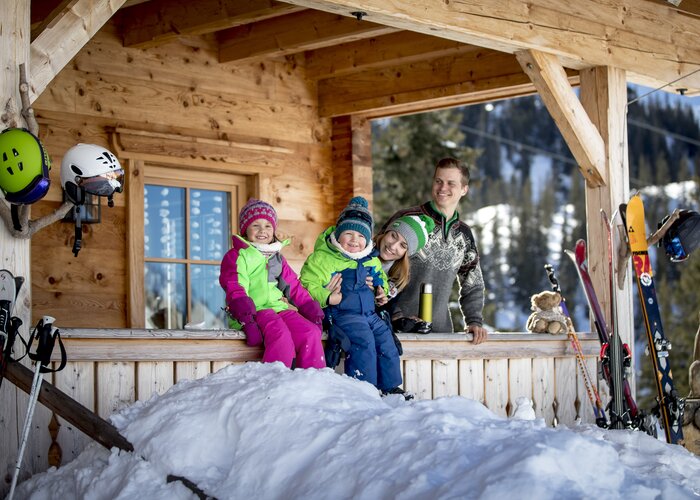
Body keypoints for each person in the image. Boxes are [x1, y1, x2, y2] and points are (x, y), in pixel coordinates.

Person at [300, 196, 406, 397]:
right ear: (338, 235)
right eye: (348, 233)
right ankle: (364, 389)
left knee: (386, 340)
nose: (354, 240)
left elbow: (380, 279)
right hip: (344, 314)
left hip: (369, 314)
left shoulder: (370, 258)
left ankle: (390, 387)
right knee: (363, 342)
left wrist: (380, 291)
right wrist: (327, 297)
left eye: (360, 235)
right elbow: (306, 284)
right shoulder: (324, 259)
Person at [381, 157, 488, 344]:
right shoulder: (408, 219)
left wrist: (473, 320)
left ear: (464, 189)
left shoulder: (464, 234)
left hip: (441, 333)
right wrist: (395, 315)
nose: (442, 188)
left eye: (450, 183)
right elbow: (376, 265)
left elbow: (472, 281)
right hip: (397, 330)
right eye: (438, 181)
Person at [219, 199, 326, 369]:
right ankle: (275, 384)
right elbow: (235, 287)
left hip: (279, 309)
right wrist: (246, 319)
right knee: (281, 336)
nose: (263, 230)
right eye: (256, 225)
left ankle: (314, 383)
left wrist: (311, 310)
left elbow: (294, 286)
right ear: (245, 229)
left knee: (310, 333)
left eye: (268, 226)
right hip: (254, 312)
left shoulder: (276, 258)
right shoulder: (238, 256)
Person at [373, 214, 436, 333]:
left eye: (403, 245)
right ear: (386, 232)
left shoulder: (397, 277)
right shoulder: (359, 250)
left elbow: (387, 310)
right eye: (393, 236)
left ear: (407, 253)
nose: (393, 246)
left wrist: (399, 319)